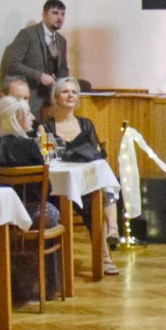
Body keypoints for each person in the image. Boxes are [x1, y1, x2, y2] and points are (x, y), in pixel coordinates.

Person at [0, 95, 60, 303]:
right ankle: (49, 285)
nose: (32, 118)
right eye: (28, 113)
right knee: (53, 211)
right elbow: (46, 189)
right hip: (30, 215)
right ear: (16, 117)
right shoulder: (29, 147)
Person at [40, 76, 121, 276]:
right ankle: (108, 241)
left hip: (84, 183)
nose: (70, 95)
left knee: (95, 199)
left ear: (78, 99)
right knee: (94, 199)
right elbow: (47, 158)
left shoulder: (86, 125)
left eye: (74, 92)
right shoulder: (46, 127)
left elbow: (96, 156)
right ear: (56, 97)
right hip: (56, 187)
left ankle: (108, 248)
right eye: (65, 92)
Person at [0, 0, 70, 117]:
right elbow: (11, 63)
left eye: (63, 14)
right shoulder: (27, 34)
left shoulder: (61, 41)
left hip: (51, 99)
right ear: (44, 15)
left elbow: (63, 70)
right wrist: (39, 76)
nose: (60, 18)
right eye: (55, 13)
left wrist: (64, 87)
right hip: (28, 97)